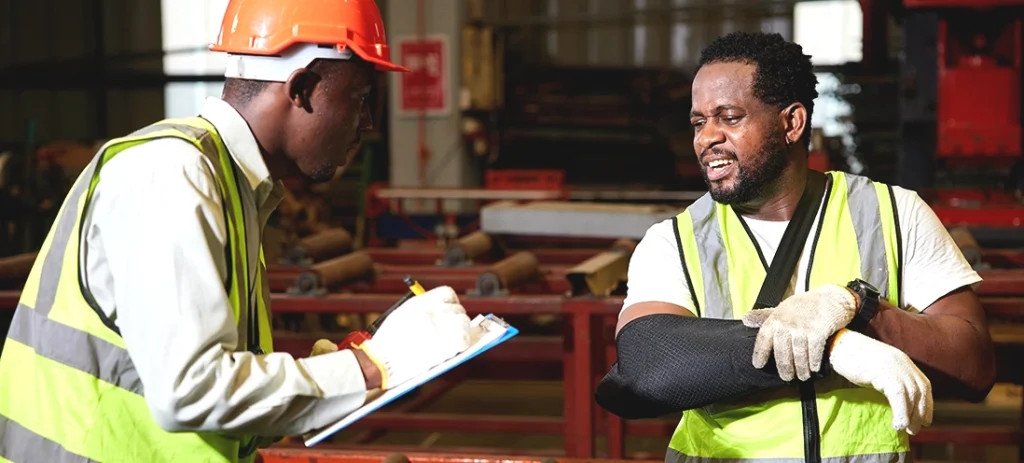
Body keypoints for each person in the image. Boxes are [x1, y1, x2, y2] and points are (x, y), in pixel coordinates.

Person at [0, 1, 475, 462]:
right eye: (360, 98)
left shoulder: (235, 188)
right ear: (303, 88)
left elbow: (215, 396)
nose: (367, 123)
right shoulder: (172, 175)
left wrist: (366, 362)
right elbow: (190, 391)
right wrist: (372, 368)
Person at [596, 31, 996, 463]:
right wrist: (836, 348)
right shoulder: (675, 239)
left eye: (728, 117)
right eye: (698, 121)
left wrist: (860, 310)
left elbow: (974, 368)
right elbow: (646, 366)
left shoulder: (893, 214)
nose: (705, 138)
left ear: (792, 123)